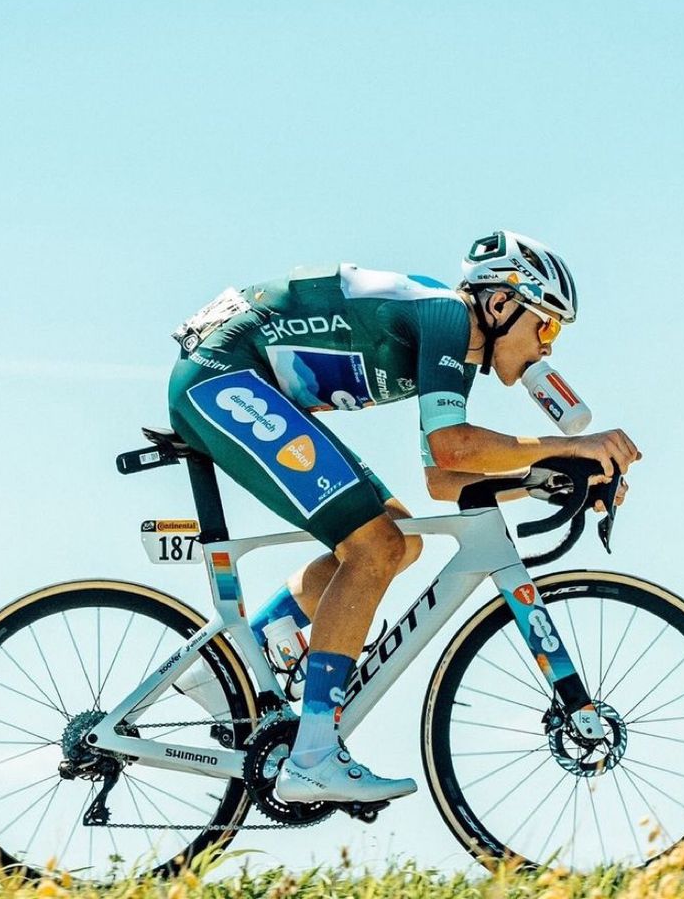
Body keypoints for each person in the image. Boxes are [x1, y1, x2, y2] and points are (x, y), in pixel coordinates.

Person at [166, 231, 641, 805]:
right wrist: (572, 446)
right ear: (500, 304)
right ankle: (313, 755)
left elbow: (444, 478)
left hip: (240, 377)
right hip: (222, 376)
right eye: (547, 328)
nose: (548, 349)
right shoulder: (446, 317)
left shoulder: (454, 345)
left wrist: (554, 478)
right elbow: (452, 447)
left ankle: (235, 665)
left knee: (400, 540)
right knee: (376, 547)